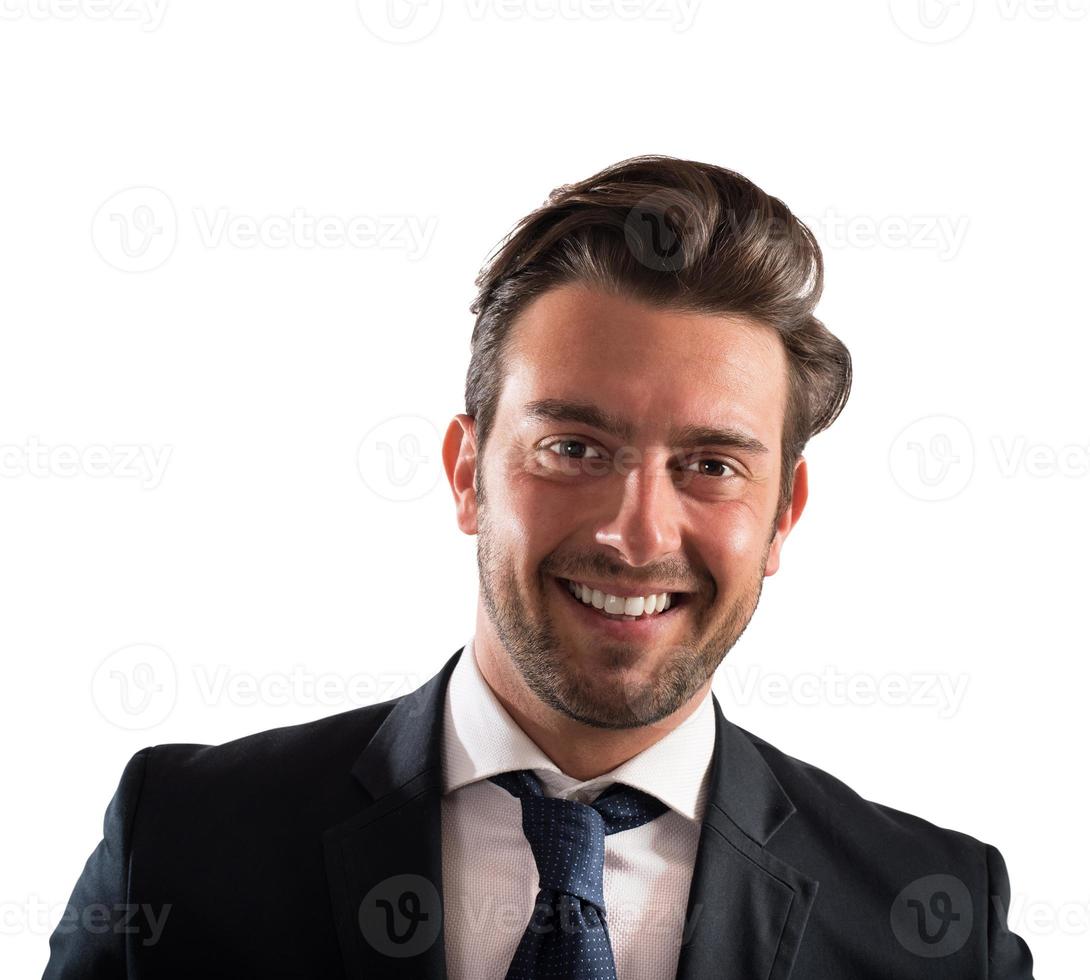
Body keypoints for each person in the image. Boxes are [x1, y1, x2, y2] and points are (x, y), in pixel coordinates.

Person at [44, 155, 1036, 978]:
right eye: (573, 448)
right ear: (467, 471)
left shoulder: (934, 923)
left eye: (709, 465)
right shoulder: (181, 844)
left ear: (784, 515)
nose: (634, 532)